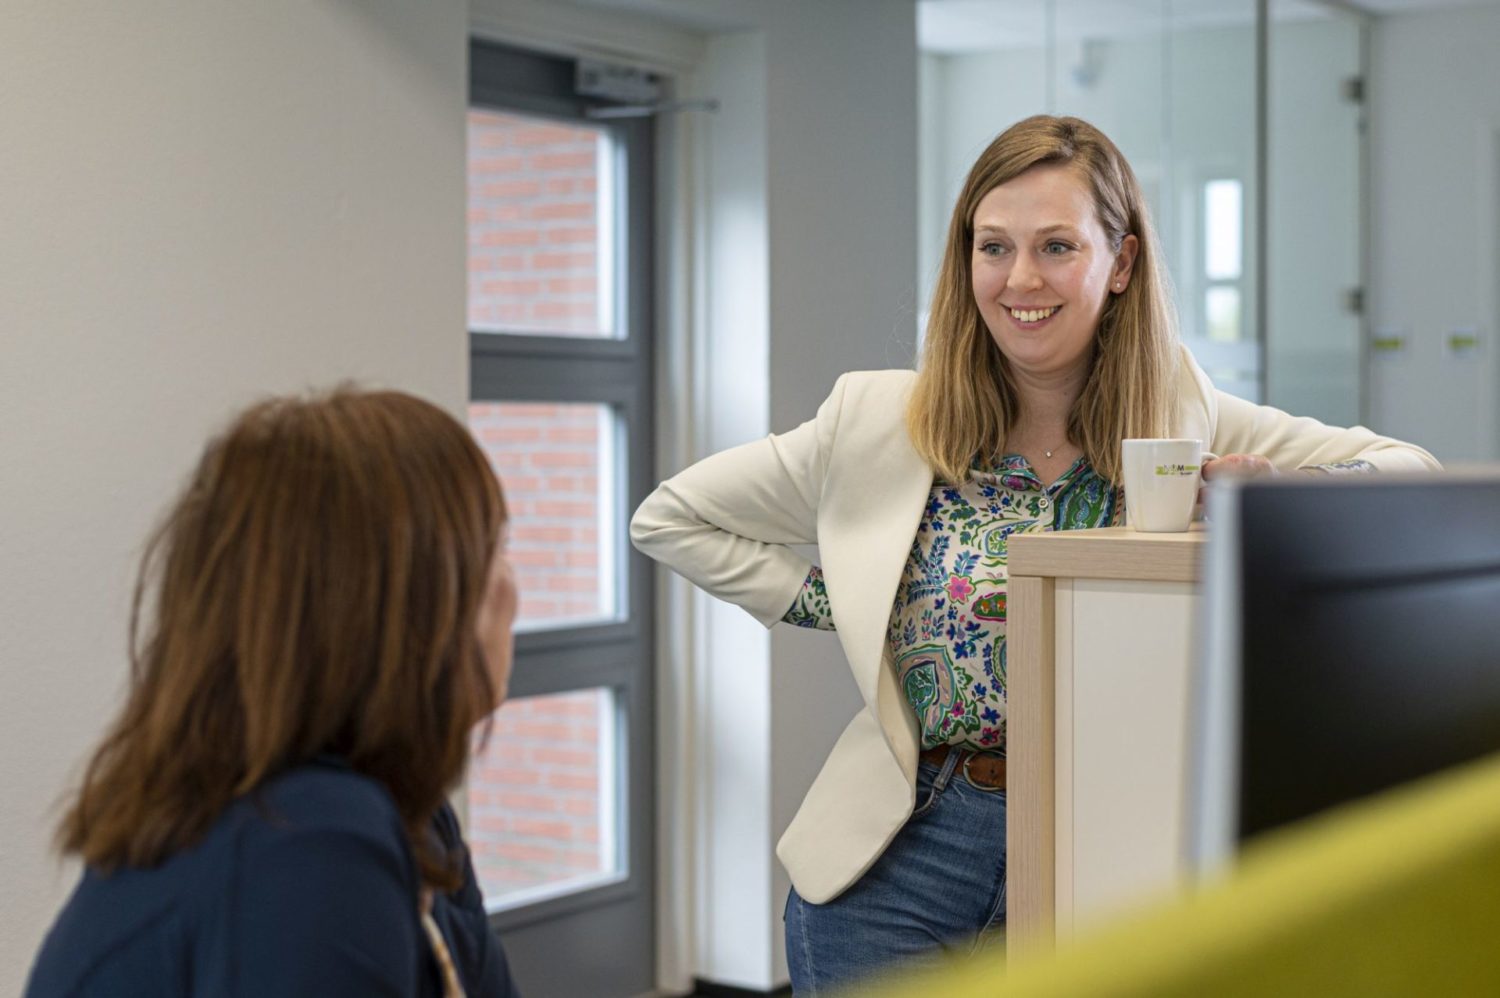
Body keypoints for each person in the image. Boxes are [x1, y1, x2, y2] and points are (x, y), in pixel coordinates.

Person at [629, 114, 1440, 994]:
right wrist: (856, 605)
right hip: (904, 855)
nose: (1020, 279)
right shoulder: (877, 422)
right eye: (993, 246)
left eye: (1057, 246)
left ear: (1120, 263)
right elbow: (672, 518)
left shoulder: (1184, 416)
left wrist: (1282, 491)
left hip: (1114, 848)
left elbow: (1412, 471)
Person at [26, 389, 522, 997]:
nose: (512, 592)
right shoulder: (304, 838)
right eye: (495, 548)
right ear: (404, 607)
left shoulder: (405, 817)